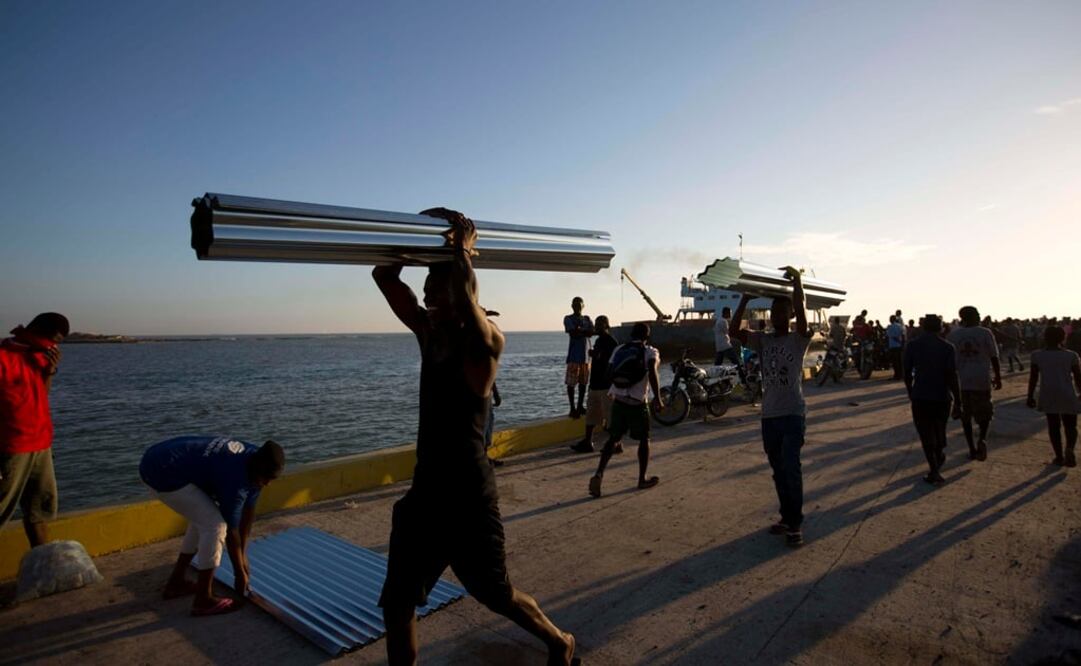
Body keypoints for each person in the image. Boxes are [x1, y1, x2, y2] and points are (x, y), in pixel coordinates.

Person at [373, 208, 577, 666]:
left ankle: (559, 640)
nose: (426, 297)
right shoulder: (430, 334)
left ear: (460, 287)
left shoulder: (487, 341)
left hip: (468, 496)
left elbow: (468, 303)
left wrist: (462, 250)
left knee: (496, 594)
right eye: (425, 289)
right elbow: (384, 276)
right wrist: (413, 239)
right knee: (398, 602)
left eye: (434, 288)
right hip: (426, 492)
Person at [139, 436, 284, 616]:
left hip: (165, 455)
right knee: (215, 525)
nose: (268, 483)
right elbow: (232, 531)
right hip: (160, 470)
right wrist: (239, 573)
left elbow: (248, 513)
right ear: (257, 470)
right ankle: (203, 599)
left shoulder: (257, 462)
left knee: (203, 517)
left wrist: (244, 556)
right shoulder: (235, 477)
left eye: (272, 479)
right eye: (266, 479)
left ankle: (176, 583)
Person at [733, 267, 813, 547]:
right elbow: (734, 332)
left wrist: (798, 283)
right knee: (778, 470)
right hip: (769, 416)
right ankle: (786, 516)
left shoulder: (798, 339)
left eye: (783, 311)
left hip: (793, 414)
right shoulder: (763, 340)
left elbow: (802, 315)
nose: (777, 315)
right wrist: (744, 299)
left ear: (790, 315)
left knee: (791, 468)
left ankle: (795, 524)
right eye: (773, 312)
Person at [1, 313, 69, 547]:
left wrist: (49, 369)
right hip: (11, 446)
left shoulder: (38, 356)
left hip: (40, 444)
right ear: (37, 332)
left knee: (39, 511)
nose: (53, 346)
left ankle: (41, 566)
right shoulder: (3, 357)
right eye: (53, 340)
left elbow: (42, 393)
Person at [588, 322, 662, 497]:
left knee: (613, 438)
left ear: (631, 334)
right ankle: (642, 479)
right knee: (644, 439)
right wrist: (657, 398)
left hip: (618, 400)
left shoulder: (619, 349)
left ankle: (599, 473)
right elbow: (652, 371)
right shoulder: (650, 351)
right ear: (647, 336)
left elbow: (608, 373)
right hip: (637, 402)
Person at [903, 315, 962, 485]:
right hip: (942, 396)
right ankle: (939, 454)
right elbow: (952, 375)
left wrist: (910, 392)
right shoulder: (947, 347)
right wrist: (958, 400)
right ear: (940, 328)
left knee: (925, 433)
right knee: (939, 428)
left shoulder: (913, 345)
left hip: (921, 395)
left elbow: (907, 372)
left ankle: (934, 469)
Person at [948, 306, 1003, 461]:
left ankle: (971, 448)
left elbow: (950, 361)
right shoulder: (985, 333)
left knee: (966, 417)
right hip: (981, 379)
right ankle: (982, 439)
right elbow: (994, 356)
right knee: (985, 414)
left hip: (962, 381)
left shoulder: (954, 335)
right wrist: (998, 377)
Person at [1027, 326, 1081, 467]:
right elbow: (1078, 378)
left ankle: (1058, 456)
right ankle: (1069, 448)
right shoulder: (1071, 355)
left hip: (1048, 393)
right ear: (1063, 338)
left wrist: (1030, 396)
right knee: (1071, 425)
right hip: (1067, 392)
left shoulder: (1037, 355)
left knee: (1053, 425)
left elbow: (1033, 378)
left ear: (1044, 338)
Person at [571, 315, 621, 454]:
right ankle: (588, 442)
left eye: (599, 324)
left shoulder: (611, 342)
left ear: (606, 325)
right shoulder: (599, 340)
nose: (596, 327)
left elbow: (612, 361)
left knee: (610, 417)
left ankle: (616, 444)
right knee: (591, 416)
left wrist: (596, 355)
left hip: (606, 385)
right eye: (596, 324)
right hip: (595, 384)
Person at [563, 297, 594, 419]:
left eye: (579, 304)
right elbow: (573, 333)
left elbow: (592, 332)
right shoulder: (568, 318)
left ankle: (580, 406)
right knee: (571, 384)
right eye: (575, 304)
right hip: (574, 356)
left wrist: (580, 330)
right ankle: (572, 408)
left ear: (583, 306)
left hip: (586, 358)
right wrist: (584, 331)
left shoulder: (587, 318)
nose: (577, 307)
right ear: (572, 306)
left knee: (583, 384)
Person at [886, 315, 905, 380]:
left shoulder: (889, 327)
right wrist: (902, 343)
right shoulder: (900, 326)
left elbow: (889, 335)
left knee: (895, 361)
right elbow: (903, 335)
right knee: (899, 361)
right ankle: (901, 375)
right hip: (899, 346)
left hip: (893, 346)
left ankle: (897, 375)